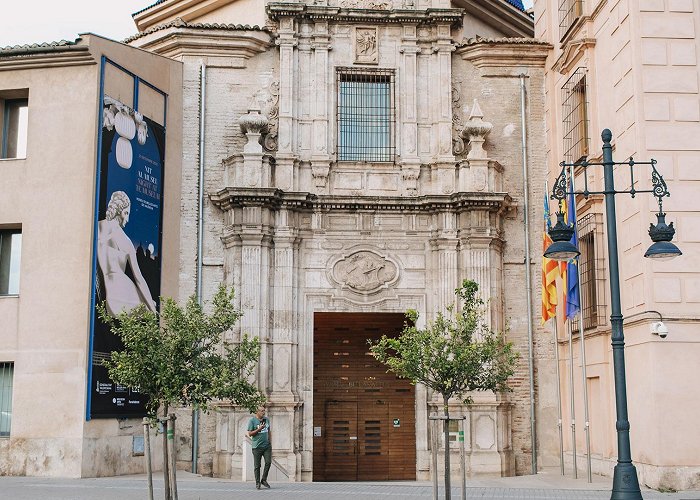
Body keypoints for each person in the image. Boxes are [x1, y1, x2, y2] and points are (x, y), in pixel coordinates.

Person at [97, 191, 157, 316]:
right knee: (150, 305)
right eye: (127, 213)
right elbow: (139, 278)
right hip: (123, 294)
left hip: (109, 294)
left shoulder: (96, 227)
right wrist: (152, 309)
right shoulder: (126, 241)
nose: (128, 219)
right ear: (122, 212)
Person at [247, 406, 272, 489]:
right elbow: (250, 434)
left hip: (267, 446)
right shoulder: (252, 421)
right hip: (257, 447)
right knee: (257, 466)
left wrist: (270, 442)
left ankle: (264, 479)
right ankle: (258, 483)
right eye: (261, 411)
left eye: (264, 411)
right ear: (257, 412)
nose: (263, 412)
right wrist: (259, 429)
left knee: (268, 462)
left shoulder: (266, 420)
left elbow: (269, 431)